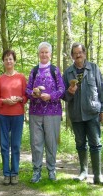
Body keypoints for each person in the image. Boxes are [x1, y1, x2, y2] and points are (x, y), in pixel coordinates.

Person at [62, 42, 103, 186]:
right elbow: (64, 96)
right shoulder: (68, 73)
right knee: (80, 143)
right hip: (76, 114)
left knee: (96, 143)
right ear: (72, 56)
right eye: (75, 53)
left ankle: (98, 175)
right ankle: (83, 172)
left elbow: (102, 90)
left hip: (92, 112)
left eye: (80, 52)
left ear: (84, 54)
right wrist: (69, 93)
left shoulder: (93, 68)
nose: (78, 55)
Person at [26, 42, 65, 183]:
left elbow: (61, 89)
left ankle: (51, 170)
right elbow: (27, 90)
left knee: (51, 142)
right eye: (41, 52)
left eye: (46, 52)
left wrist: (50, 96)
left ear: (50, 54)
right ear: (38, 54)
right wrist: (34, 94)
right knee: (36, 143)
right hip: (35, 111)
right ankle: (36, 171)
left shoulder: (55, 70)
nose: (44, 54)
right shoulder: (34, 71)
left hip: (52, 112)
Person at [0, 50, 28, 185]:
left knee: (16, 145)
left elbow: (26, 97)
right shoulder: (0, 79)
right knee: (4, 145)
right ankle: (6, 174)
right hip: (3, 115)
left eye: (11, 59)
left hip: (18, 115)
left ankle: (15, 173)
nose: (9, 61)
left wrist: (20, 98)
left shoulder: (20, 77)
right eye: (6, 59)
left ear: (14, 61)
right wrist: (4, 101)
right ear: (3, 61)